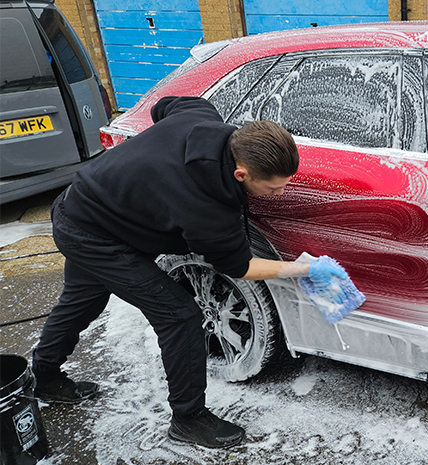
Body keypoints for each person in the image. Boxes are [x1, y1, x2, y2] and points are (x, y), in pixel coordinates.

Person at [31, 96, 346, 449]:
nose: (280, 192)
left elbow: (164, 106)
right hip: (93, 234)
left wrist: (150, 160)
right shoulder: (207, 209)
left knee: (82, 300)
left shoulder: (199, 116)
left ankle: (43, 376)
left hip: (86, 206)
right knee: (179, 316)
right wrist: (304, 268)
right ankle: (188, 418)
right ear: (240, 173)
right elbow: (240, 267)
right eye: (273, 187)